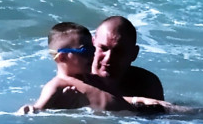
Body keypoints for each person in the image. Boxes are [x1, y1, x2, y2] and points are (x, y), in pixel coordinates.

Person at [17, 21, 174, 115]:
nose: (92, 55)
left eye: (93, 49)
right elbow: (39, 107)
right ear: (63, 57)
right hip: (110, 123)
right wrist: (31, 109)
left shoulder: (92, 79)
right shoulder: (59, 85)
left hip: (130, 120)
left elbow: (114, 98)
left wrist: (138, 100)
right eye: (85, 51)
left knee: (181, 112)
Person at [92, 16, 164, 99]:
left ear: (134, 54)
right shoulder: (79, 79)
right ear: (92, 44)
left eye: (118, 51)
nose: (108, 58)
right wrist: (135, 101)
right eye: (103, 48)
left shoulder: (147, 84)